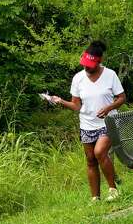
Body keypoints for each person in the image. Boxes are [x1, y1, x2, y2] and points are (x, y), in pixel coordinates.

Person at [51, 41, 125, 202]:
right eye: (84, 65)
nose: (86, 68)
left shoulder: (110, 75)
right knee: (91, 160)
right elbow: (76, 105)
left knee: (100, 152)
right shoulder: (78, 78)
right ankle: (95, 198)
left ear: (99, 61)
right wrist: (61, 101)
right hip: (87, 125)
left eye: (90, 65)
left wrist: (108, 108)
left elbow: (121, 98)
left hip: (108, 123)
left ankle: (113, 189)